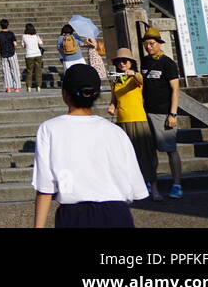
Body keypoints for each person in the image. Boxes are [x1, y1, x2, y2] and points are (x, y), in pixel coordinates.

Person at [32, 64, 148, 227]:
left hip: (74, 215)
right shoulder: (116, 132)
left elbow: (45, 187)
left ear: (65, 94)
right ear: (97, 94)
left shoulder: (50, 129)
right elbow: (136, 188)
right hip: (117, 213)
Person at [139, 27, 183, 200]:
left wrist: (172, 114)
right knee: (150, 151)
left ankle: (177, 184)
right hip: (146, 111)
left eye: (152, 43)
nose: (149, 47)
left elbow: (175, 89)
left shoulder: (168, 63)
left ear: (159, 44)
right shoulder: (144, 61)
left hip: (164, 113)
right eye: (146, 44)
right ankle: (151, 181)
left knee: (171, 149)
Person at [107, 47, 156, 193]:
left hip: (138, 120)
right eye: (119, 61)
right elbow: (114, 98)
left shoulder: (136, 76)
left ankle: (153, 187)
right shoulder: (115, 79)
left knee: (145, 154)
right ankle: (132, 185)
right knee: (126, 155)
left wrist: (133, 73)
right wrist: (111, 106)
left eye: (125, 61)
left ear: (131, 62)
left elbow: (141, 80)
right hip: (122, 121)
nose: (122, 63)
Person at [0, 19, 20, 92]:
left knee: (6, 71)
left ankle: (8, 87)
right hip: (12, 52)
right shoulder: (11, 33)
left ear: (1, 25)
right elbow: (15, 44)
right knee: (15, 69)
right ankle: (17, 87)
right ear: (7, 25)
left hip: (3, 53)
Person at [22, 24, 45, 92]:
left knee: (29, 72)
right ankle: (38, 87)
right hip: (38, 54)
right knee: (38, 72)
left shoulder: (24, 36)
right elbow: (41, 44)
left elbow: (24, 46)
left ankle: (29, 87)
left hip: (29, 55)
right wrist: (41, 40)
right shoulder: (36, 36)